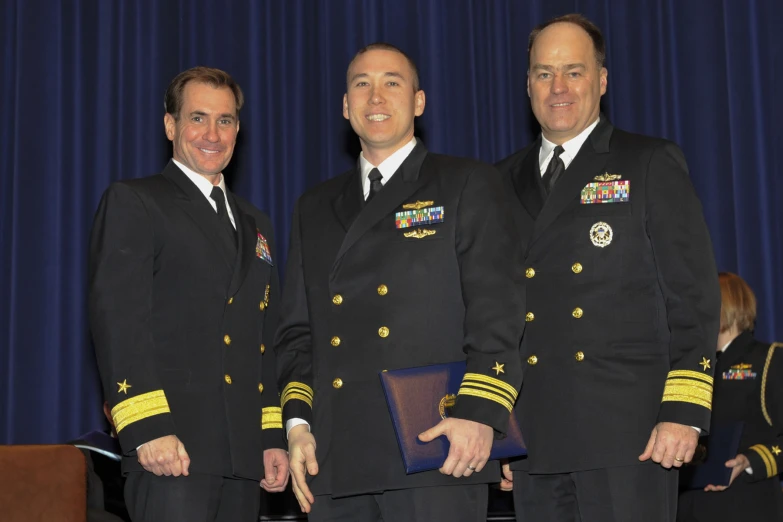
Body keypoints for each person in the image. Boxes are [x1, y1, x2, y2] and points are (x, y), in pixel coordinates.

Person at [274, 43, 525, 521]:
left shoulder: (466, 183)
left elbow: (498, 312)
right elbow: (296, 334)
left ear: (419, 101)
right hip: (336, 456)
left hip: (436, 447)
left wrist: (479, 413)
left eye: (392, 83)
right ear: (345, 106)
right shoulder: (314, 206)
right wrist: (297, 426)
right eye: (361, 85)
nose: (376, 97)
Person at [495, 14, 721, 522]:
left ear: (601, 80)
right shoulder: (497, 181)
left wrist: (684, 411)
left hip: (630, 434)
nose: (558, 87)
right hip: (535, 437)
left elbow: (693, 296)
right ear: (527, 83)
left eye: (573, 72)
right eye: (543, 72)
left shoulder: (647, 162)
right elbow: (493, 312)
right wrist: (496, 423)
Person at [88, 66, 289, 522]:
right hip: (171, 448)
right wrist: (146, 428)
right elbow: (118, 321)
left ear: (238, 128)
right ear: (170, 125)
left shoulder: (257, 223)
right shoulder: (136, 202)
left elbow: (266, 340)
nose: (213, 134)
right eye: (198, 118)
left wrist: (271, 437)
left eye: (226, 120)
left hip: (242, 458)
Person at [677, 272, 783, 521]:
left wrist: (749, 461)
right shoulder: (689, 368)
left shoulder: (770, 360)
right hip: (688, 506)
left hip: (744, 504)